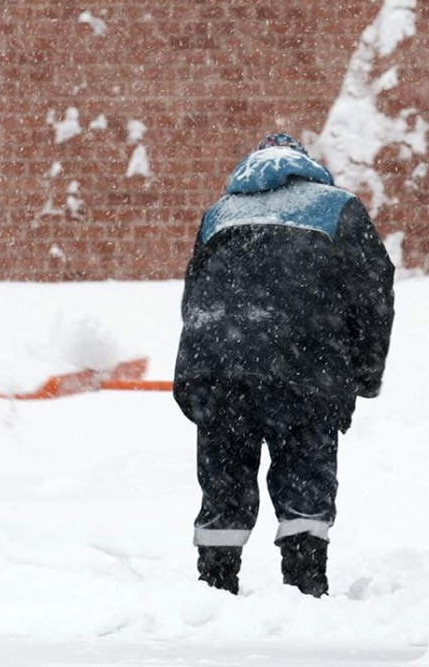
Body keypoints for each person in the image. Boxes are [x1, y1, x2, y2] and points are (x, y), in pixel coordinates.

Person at [172, 133, 397, 597]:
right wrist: (364, 374)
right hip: (304, 367)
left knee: (224, 480)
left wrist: (200, 373)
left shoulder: (220, 214)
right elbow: (374, 292)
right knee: (304, 473)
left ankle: (213, 587)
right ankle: (305, 586)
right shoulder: (338, 208)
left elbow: (194, 295)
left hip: (218, 369)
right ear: (305, 166)